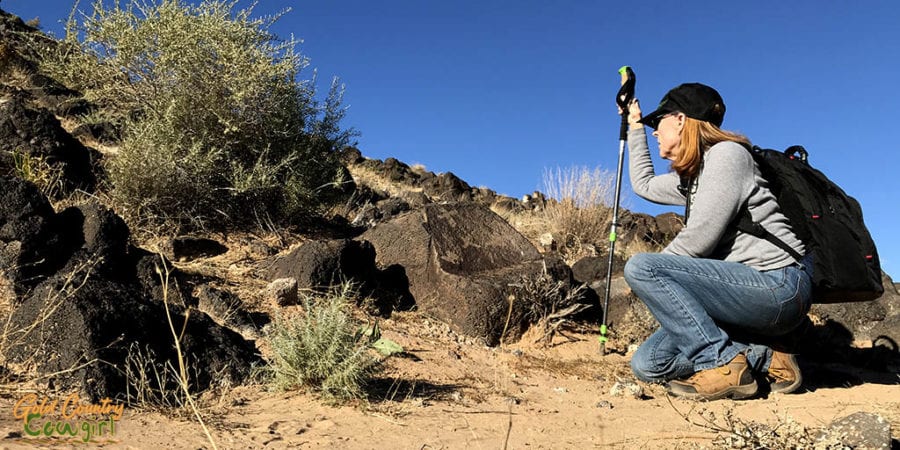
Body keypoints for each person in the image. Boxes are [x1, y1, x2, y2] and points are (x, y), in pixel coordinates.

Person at [620, 82, 813, 401]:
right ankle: (765, 356)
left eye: (658, 122)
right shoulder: (693, 177)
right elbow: (644, 184)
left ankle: (723, 365)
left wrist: (649, 277)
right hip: (738, 294)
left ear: (680, 119)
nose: (655, 132)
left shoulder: (727, 156)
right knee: (650, 364)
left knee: (642, 266)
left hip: (778, 286)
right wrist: (634, 123)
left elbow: (698, 242)